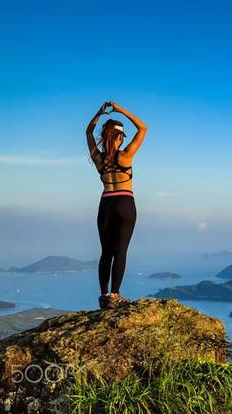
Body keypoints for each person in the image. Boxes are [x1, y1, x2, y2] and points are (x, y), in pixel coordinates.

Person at [86, 101, 147, 309]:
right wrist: (121, 110)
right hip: (124, 204)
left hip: (105, 205)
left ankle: (104, 296)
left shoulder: (98, 158)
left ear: (104, 137)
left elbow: (88, 131)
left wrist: (98, 113)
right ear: (120, 137)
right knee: (121, 250)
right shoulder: (126, 155)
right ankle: (115, 294)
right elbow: (143, 127)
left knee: (106, 252)